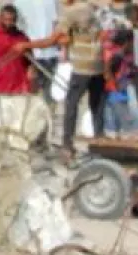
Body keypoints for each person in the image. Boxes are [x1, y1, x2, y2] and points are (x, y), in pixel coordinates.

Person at [52, 0, 106, 158]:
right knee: (96, 106)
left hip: (82, 67)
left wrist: (28, 45)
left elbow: (58, 38)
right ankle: (99, 144)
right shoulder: (95, 9)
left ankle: (67, 145)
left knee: (71, 104)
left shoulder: (71, 12)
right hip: (98, 66)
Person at [0, 4, 48, 94]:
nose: (9, 23)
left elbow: (30, 61)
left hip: (19, 88)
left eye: (12, 20)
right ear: (0, 18)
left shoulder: (21, 37)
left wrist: (32, 71)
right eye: (6, 20)